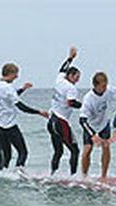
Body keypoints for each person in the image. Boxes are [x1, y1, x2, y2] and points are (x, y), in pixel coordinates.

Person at [0, 63, 49, 169]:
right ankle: (18, 175)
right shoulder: (8, 88)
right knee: (23, 152)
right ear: (10, 73)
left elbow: (9, 97)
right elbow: (21, 106)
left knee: (7, 155)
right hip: (10, 125)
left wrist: (22, 89)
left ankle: (2, 174)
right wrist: (39, 112)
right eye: (15, 74)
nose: (17, 77)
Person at [80, 72, 116, 182]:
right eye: (103, 86)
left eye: (106, 85)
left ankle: (103, 176)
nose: (105, 88)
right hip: (90, 125)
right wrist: (93, 135)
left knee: (106, 146)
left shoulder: (108, 90)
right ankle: (84, 176)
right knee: (87, 149)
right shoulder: (88, 99)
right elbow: (82, 121)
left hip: (104, 124)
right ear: (96, 85)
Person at [47, 47, 81, 175]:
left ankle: (52, 174)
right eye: (76, 77)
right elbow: (71, 103)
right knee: (75, 151)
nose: (77, 80)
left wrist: (70, 58)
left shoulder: (59, 79)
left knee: (58, 151)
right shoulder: (71, 88)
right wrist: (85, 106)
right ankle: (73, 176)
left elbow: (62, 68)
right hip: (61, 122)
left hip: (51, 121)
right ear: (71, 76)